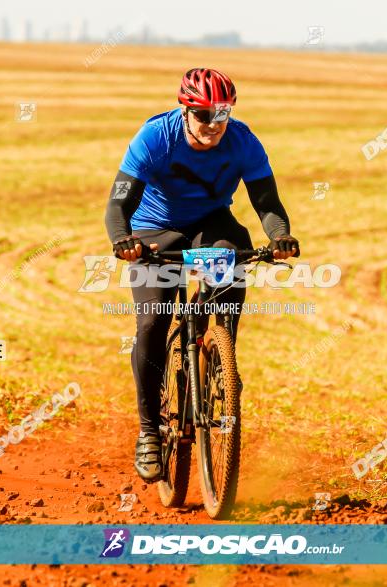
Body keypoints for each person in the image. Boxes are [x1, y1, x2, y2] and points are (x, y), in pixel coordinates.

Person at [104, 67, 299, 482]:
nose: (214, 125)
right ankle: (150, 432)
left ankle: (221, 358)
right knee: (154, 319)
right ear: (185, 110)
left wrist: (280, 236)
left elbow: (267, 202)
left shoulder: (243, 140)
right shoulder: (155, 137)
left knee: (233, 256)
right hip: (154, 231)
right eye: (205, 115)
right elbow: (117, 206)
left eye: (222, 114)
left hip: (211, 223)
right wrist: (123, 241)